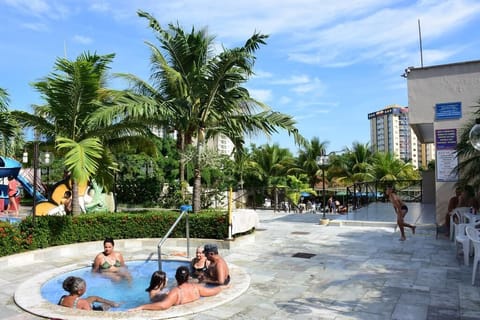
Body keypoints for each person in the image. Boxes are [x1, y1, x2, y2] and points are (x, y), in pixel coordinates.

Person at [129, 266, 222, 311]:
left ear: (176, 277)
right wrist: (222, 287)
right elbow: (213, 291)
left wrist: (142, 306)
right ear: (188, 277)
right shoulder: (196, 287)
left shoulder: (175, 292)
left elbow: (163, 306)